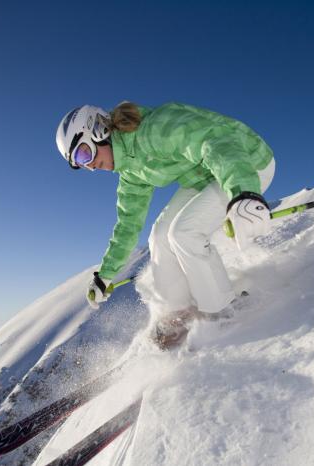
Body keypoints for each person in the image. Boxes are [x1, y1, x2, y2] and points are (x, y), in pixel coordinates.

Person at [55, 102, 275, 349]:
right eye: (79, 163)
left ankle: (223, 310)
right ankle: (180, 311)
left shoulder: (155, 129)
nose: (89, 165)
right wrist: (105, 275)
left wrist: (243, 190)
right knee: (159, 237)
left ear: (98, 130)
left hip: (246, 162)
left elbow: (214, 140)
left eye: (84, 154)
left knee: (184, 233)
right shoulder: (130, 172)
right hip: (203, 176)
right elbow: (128, 224)